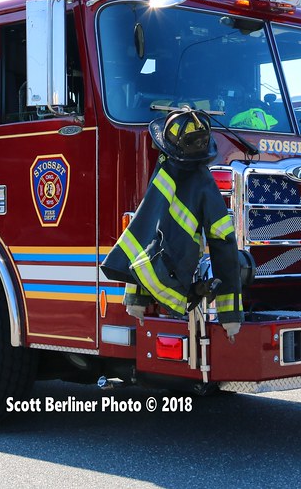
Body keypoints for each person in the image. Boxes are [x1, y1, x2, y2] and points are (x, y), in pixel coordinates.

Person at [101, 108, 244, 339]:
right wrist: (231, 316)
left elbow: (143, 232)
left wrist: (135, 300)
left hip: (158, 272)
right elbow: (224, 245)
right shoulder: (204, 183)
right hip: (178, 282)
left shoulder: (163, 173)